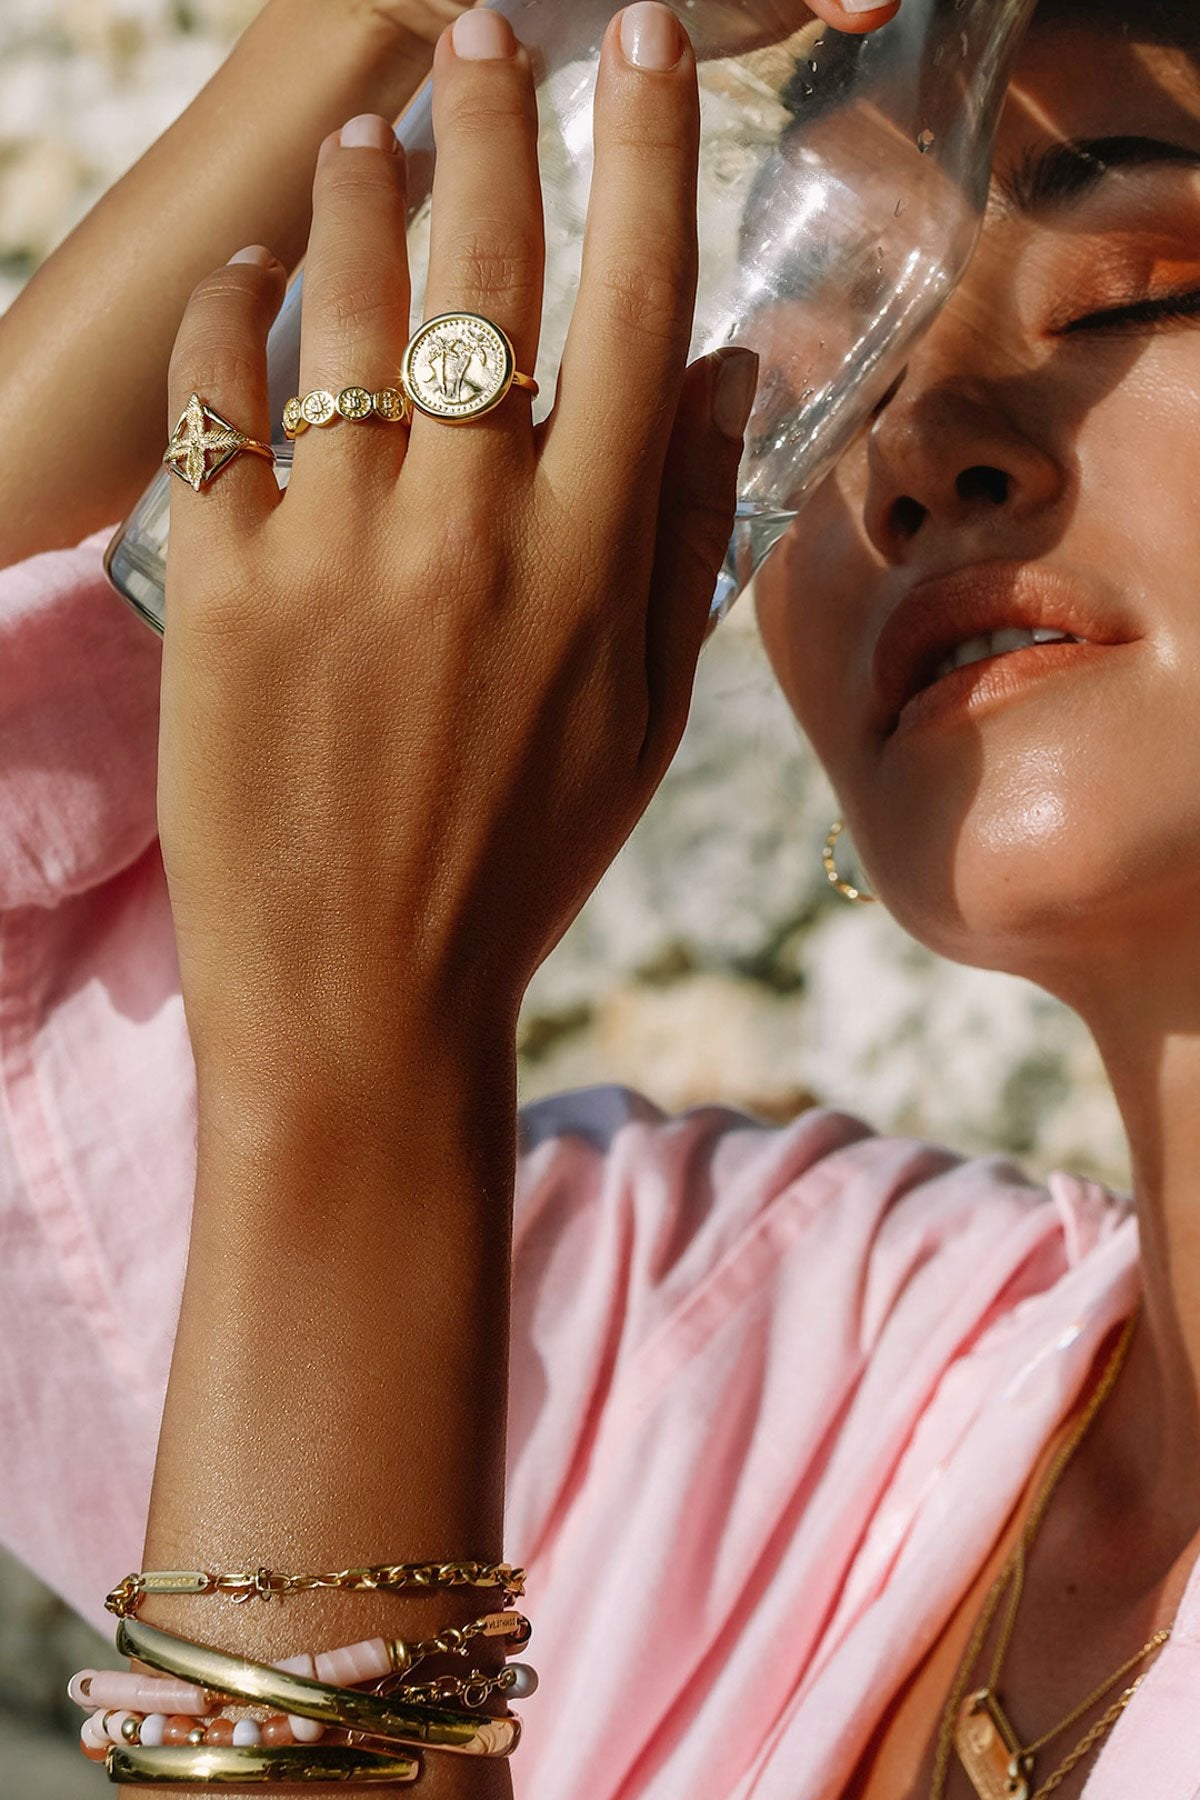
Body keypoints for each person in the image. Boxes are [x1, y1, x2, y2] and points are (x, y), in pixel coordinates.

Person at [0, 0, 1197, 1794]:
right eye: (813, 404)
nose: (910, 456)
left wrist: (359, 1071)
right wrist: (390, 29)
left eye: (1129, 297)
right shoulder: (783, 1367)